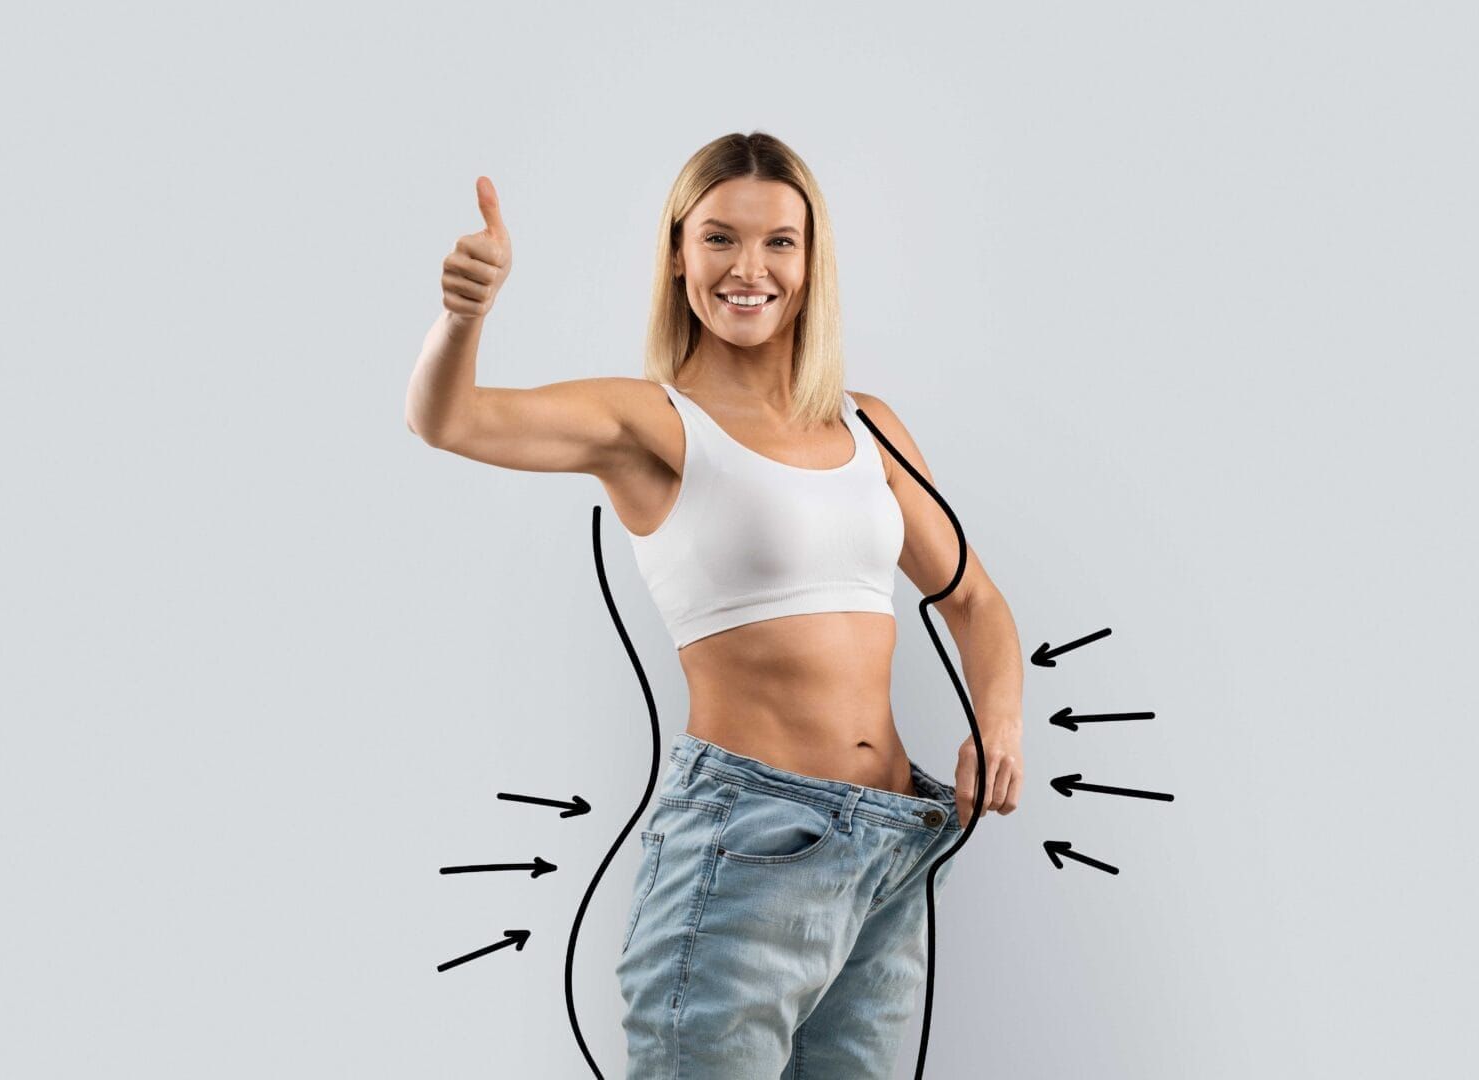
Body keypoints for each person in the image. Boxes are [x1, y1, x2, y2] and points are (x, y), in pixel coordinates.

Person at [406, 131, 1024, 1077]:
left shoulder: (871, 427)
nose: (750, 267)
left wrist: (1001, 728)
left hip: (893, 853)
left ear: (812, 263)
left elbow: (974, 598)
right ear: (678, 254)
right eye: (720, 238)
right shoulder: (650, 422)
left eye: (780, 241)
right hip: (745, 848)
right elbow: (449, 420)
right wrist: (464, 316)